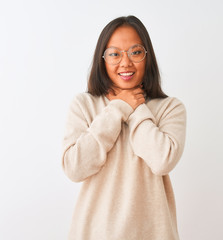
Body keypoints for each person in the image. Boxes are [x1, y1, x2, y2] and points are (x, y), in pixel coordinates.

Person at [62, 15, 187, 240]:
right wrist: (118, 107)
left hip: (152, 233)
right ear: (102, 59)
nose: (125, 62)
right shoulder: (84, 105)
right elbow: (74, 167)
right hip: (94, 232)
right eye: (114, 54)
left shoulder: (170, 108)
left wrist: (136, 106)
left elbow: (162, 161)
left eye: (135, 52)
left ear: (147, 56)